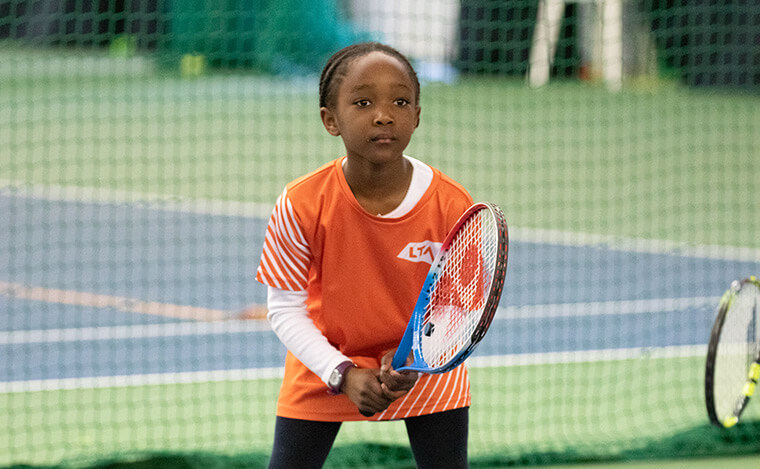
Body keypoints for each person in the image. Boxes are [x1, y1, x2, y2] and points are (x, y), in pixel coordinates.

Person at [256, 42, 473, 468]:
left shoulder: (453, 206)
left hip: (425, 367)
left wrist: (419, 359)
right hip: (324, 360)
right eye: (362, 102)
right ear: (330, 120)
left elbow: (460, 308)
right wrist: (341, 372)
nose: (383, 114)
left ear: (417, 116)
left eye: (400, 100)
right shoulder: (301, 203)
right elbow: (283, 308)